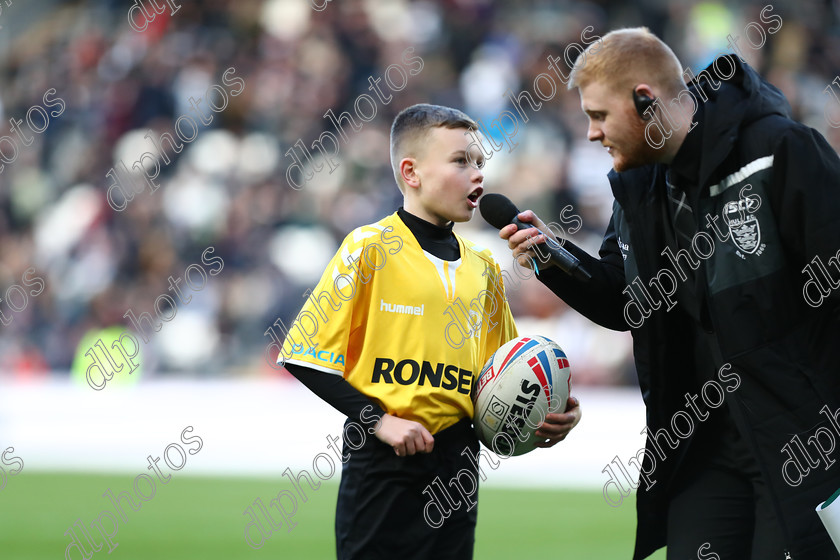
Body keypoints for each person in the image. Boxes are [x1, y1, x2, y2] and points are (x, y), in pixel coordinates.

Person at [501, 28, 840, 560]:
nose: (590, 133)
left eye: (598, 116)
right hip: (701, 449)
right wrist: (552, 257)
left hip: (800, 444)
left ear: (645, 99)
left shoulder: (779, 151)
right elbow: (627, 303)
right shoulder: (639, 187)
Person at [278, 103, 582, 560]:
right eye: (461, 161)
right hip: (384, 460)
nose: (477, 174)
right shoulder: (369, 247)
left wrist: (549, 410)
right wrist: (379, 421)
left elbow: (502, 375)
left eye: (480, 162)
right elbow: (303, 355)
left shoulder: (484, 268)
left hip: (458, 462)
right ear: (411, 172)